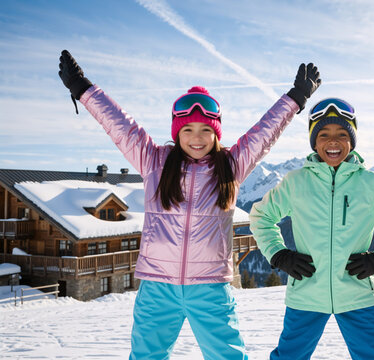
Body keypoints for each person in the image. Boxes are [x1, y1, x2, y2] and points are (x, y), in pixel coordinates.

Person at [58, 50, 320, 360]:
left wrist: (295, 98)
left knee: (228, 356)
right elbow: (119, 124)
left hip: (210, 288)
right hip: (157, 287)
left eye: (206, 130)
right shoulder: (154, 161)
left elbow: (263, 133)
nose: (197, 138)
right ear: (176, 132)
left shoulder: (231, 166)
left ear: (216, 133)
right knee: (146, 356)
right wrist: (82, 88)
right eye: (188, 130)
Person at [249, 98, 374, 360]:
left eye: (342, 134)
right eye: (324, 134)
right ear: (314, 141)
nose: (333, 141)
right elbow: (261, 216)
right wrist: (279, 254)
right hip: (306, 291)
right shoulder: (296, 182)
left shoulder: (369, 183)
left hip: (357, 292)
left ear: (352, 141)